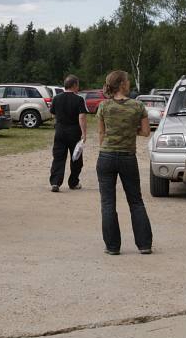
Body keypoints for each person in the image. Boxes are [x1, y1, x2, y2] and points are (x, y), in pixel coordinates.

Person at [96, 70, 153, 255]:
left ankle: (112, 246)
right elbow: (146, 132)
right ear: (122, 84)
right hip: (128, 157)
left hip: (106, 156)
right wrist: (130, 131)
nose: (129, 84)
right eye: (127, 81)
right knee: (136, 201)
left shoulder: (104, 106)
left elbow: (101, 134)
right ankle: (144, 245)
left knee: (107, 203)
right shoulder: (138, 106)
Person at [48, 74, 88, 192]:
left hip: (60, 131)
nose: (78, 87)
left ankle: (55, 182)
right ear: (74, 85)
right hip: (74, 132)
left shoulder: (56, 98)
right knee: (76, 158)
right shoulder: (79, 99)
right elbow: (82, 117)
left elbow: (53, 114)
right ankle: (73, 182)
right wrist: (84, 133)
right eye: (78, 85)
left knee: (58, 157)